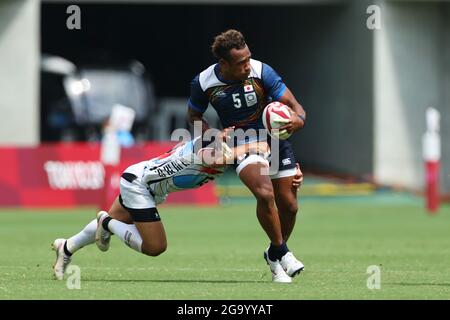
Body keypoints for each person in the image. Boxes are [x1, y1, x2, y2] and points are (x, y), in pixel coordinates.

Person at [52, 132, 288, 280]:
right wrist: (249, 147)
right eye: (222, 139)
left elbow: (229, 152)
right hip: (140, 186)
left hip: (140, 178)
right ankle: (107, 222)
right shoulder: (202, 151)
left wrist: (262, 147)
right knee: (155, 246)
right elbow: (215, 157)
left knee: (118, 221)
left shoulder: (218, 146)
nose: (224, 143)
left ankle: (67, 247)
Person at [187, 29, 307, 283]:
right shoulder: (204, 82)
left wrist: (298, 121)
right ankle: (283, 254)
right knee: (264, 193)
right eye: (241, 63)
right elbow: (194, 118)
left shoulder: (262, 72)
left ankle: (273, 254)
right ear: (224, 64)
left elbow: (297, 108)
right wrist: (212, 135)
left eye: (248, 58)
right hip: (242, 144)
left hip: (274, 141)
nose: (247, 65)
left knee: (290, 205)